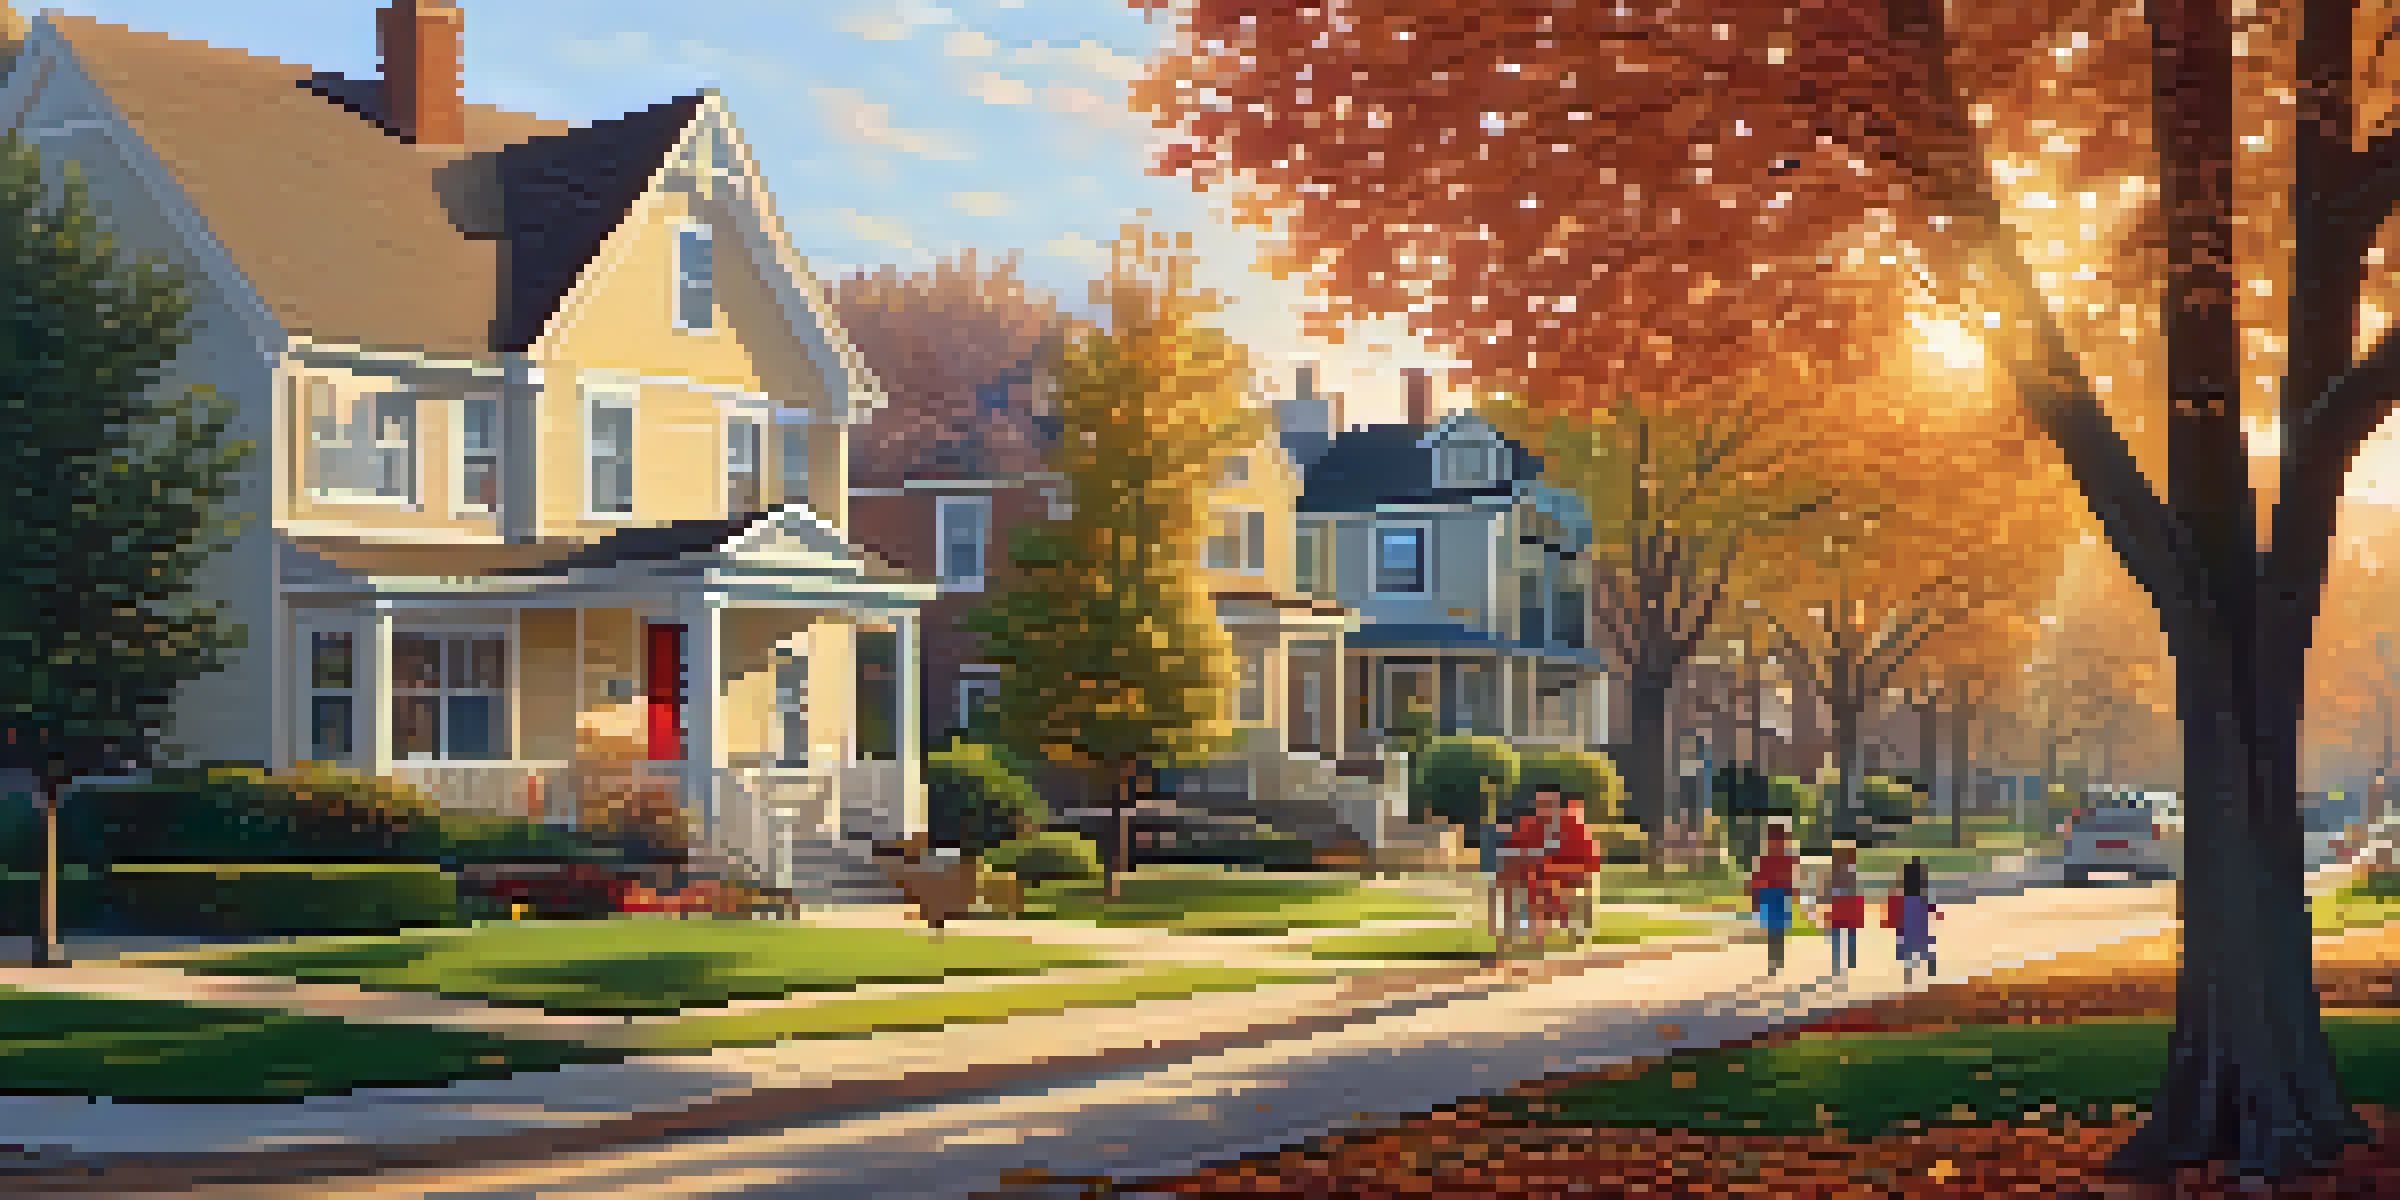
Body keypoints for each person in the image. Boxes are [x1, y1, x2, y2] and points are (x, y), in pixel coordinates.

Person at [1502, 785, 1599, 949]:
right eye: (1541, 804)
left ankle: (1573, 927)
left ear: (1557, 805)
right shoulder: (1529, 826)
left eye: (1550, 804)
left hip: (1566, 878)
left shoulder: (1573, 826)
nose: (1545, 809)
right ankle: (1522, 930)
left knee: (1555, 887)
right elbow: (1513, 853)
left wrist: (1556, 870)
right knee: (1512, 882)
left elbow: (1588, 862)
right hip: (1536, 879)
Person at [1747, 824, 1798, 975]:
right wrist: (1756, 897)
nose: (1776, 842)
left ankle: (1777, 957)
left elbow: (1791, 878)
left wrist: (1792, 894)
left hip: (1781, 895)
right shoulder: (1765, 859)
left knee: (1779, 927)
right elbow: (1758, 878)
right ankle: (1774, 958)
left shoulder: (1786, 859)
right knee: (1772, 927)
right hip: (1769, 894)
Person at [1885, 856, 1944, 982]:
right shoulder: (1922, 893)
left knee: (1908, 943)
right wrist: (1935, 912)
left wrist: (1891, 919)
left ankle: (1909, 975)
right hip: (1918, 909)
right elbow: (1930, 904)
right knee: (1923, 941)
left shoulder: (1904, 894)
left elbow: (1896, 906)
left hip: (1909, 910)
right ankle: (1930, 970)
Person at [1816, 844, 1865, 973]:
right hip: (1844, 907)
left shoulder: (1839, 874)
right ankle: (1848, 961)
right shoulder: (1851, 875)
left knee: (1841, 934)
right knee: (1846, 934)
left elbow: (1828, 893)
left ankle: (1841, 962)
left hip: (1843, 907)